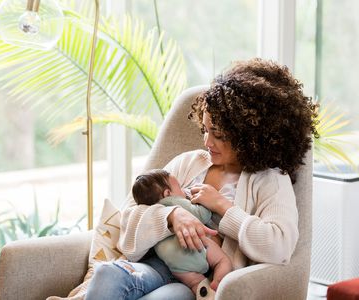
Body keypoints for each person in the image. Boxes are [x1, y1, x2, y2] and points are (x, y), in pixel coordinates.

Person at [85, 58, 318, 300]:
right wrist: (172, 216)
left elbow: (279, 246)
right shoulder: (189, 162)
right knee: (107, 274)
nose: (207, 142)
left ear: (248, 134)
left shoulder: (269, 180)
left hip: (196, 284)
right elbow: (128, 217)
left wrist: (222, 206)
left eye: (217, 134)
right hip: (153, 264)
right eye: (205, 129)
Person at [131, 168, 232, 294]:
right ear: (168, 193)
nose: (184, 191)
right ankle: (218, 283)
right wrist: (202, 202)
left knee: (195, 283)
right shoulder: (175, 202)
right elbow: (202, 215)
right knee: (222, 261)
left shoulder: (151, 212)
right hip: (196, 247)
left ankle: (204, 293)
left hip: (173, 263)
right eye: (179, 187)